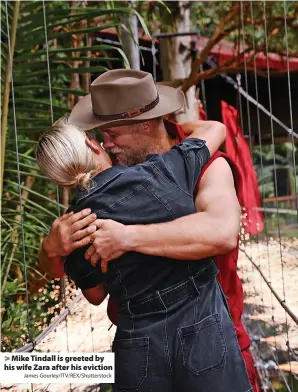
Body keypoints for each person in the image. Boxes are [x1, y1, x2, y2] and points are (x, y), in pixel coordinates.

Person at [39, 69, 259, 391]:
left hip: (212, 338)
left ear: (146, 124)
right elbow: (65, 276)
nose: (106, 143)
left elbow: (221, 233)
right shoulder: (104, 193)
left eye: (112, 133)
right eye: (101, 135)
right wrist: (50, 248)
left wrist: (127, 238)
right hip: (142, 344)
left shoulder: (206, 164)